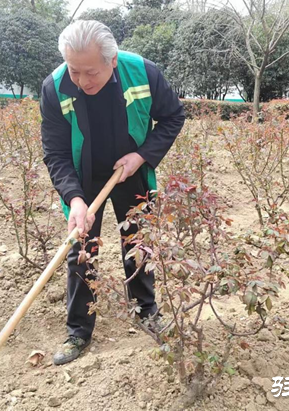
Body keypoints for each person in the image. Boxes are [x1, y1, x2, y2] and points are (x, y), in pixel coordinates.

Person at [40, 20, 185, 365]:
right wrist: (74, 199)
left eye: (91, 72)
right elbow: (56, 152)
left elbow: (173, 118)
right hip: (83, 175)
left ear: (112, 60)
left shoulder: (143, 73)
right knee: (81, 249)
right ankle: (78, 331)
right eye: (75, 71)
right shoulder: (55, 87)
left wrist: (142, 156)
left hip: (130, 168)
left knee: (137, 243)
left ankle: (146, 311)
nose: (82, 81)